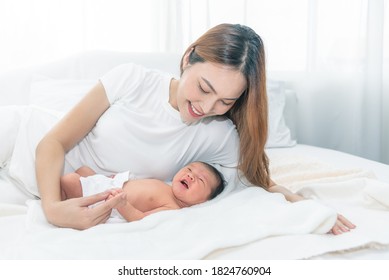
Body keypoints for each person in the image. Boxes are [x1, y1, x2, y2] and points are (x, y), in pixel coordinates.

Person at [0, 23, 352, 233]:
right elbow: (54, 141)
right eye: (204, 88)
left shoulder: (218, 136)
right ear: (188, 58)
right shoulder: (133, 80)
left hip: (38, 186)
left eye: (226, 102)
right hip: (22, 138)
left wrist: (311, 209)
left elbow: (258, 183)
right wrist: (52, 208)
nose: (207, 108)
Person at [60, 162, 225, 222]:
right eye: (189, 169)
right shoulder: (166, 186)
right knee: (84, 170)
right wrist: (116, 179)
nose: (191, 176)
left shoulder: (172, 208)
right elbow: (137, 186)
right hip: (112, 184)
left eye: (200, 180)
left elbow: (141, 218)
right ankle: (66, 196)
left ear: (202, 201)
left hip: (108, 201)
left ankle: (59, 201)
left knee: (69, 180)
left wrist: (123, 205)